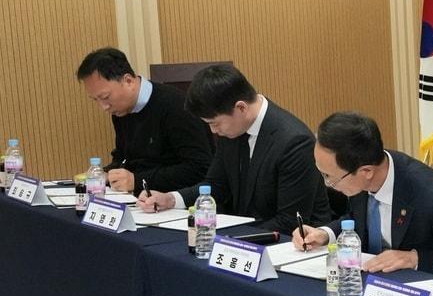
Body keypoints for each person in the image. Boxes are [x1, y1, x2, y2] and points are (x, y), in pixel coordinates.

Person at [137, 64, 331, 232]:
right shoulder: (233, 129)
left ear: (241, 108)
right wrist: (171, 199)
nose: (213, 131)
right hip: (247, 235)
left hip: (291, 244)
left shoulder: (294, 142)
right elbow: (217, 185)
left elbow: (289, 221)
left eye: (214, 123)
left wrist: (231, 238)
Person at [291, 111, 433, 273]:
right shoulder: (362, 171)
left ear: (366, 171)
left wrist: (414, 258)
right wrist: (324, 234)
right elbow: (357, 219)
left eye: (330, 177)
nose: (327, 184)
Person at [75, 48, 210, 193]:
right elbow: (123, 158)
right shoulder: (121, 110)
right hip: (140, 197)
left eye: (105, 97)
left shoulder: (175, 106)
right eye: (95, 100)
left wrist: (138, 181)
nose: (104, 107)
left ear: (128, 81)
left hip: (176, 198)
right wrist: (105, 174)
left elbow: (199, 168)